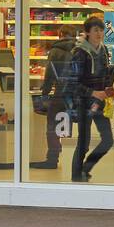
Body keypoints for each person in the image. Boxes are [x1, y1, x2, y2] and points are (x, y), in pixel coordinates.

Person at [69, 16, 114, 183]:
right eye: (96, 30)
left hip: (99, 102)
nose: (99, 33)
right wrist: (93, 93)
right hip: (83, 102)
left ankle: (86, 168)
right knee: (83, 142)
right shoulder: (79, 52)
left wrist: (108, 89)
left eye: (101, 30)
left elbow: (106, 74)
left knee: (108, 140)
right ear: (87, 32)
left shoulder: (103, 50)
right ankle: (76, 176)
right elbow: (73, 82)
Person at [30, 27, 76, 170]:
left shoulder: (55, 51)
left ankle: (52, 159)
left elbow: (50, 74)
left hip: (61, 92)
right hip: (76, 93)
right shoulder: (80, 50)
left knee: (52, 125)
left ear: (60, 35)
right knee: (69, 124)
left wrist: (44, 92)